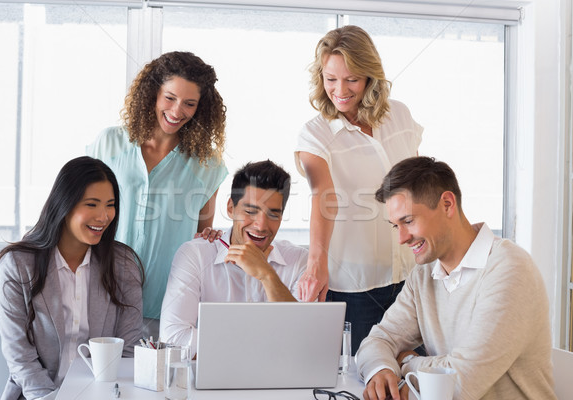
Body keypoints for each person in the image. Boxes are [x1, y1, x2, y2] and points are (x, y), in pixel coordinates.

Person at [356, 156, 556, 400]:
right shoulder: (423, 276)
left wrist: (406, 362)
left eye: (408, 221)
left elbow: (460, 383)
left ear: (447, 204)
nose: (402, 238)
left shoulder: (509, 269)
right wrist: (383, 368)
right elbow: (378, 340)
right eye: (396, 226)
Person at [295, 25, 423, 353]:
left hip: (412, 276)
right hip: (357, 288)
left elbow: (419, 184)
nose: (339, 90)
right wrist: (315, 264)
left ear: (369, 77)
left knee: (417, 376)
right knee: (363, 379)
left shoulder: (400, 115)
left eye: (351, 79)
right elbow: (324, 196)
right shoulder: (315, 135)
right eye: (330, 78)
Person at [87, 51, 228, 336]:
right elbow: (81, 210)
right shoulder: (110, 143)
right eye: (170, 98)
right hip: (102, 293)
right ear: (153, 92)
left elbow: (201, 237)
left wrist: (211, 236)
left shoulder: (207, 164)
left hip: (165, 305)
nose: (177, 111)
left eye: (189, 104)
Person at [0, 156, 144, 400]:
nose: (103, 216)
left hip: (103, 394)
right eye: (92, 204)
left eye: (110, 204)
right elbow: (20, 357)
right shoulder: (18, 264)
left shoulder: (123, 265)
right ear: (64, 204)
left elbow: (128, 349)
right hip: (38, 395)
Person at [159, 160, 308, 356]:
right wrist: (259, 348)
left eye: (273, 214)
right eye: (250, 211)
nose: (261, 225)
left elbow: (303, 341)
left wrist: (267, 276)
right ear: (230, 208)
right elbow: (173, 338)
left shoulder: (299, 261)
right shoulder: (195, 255)